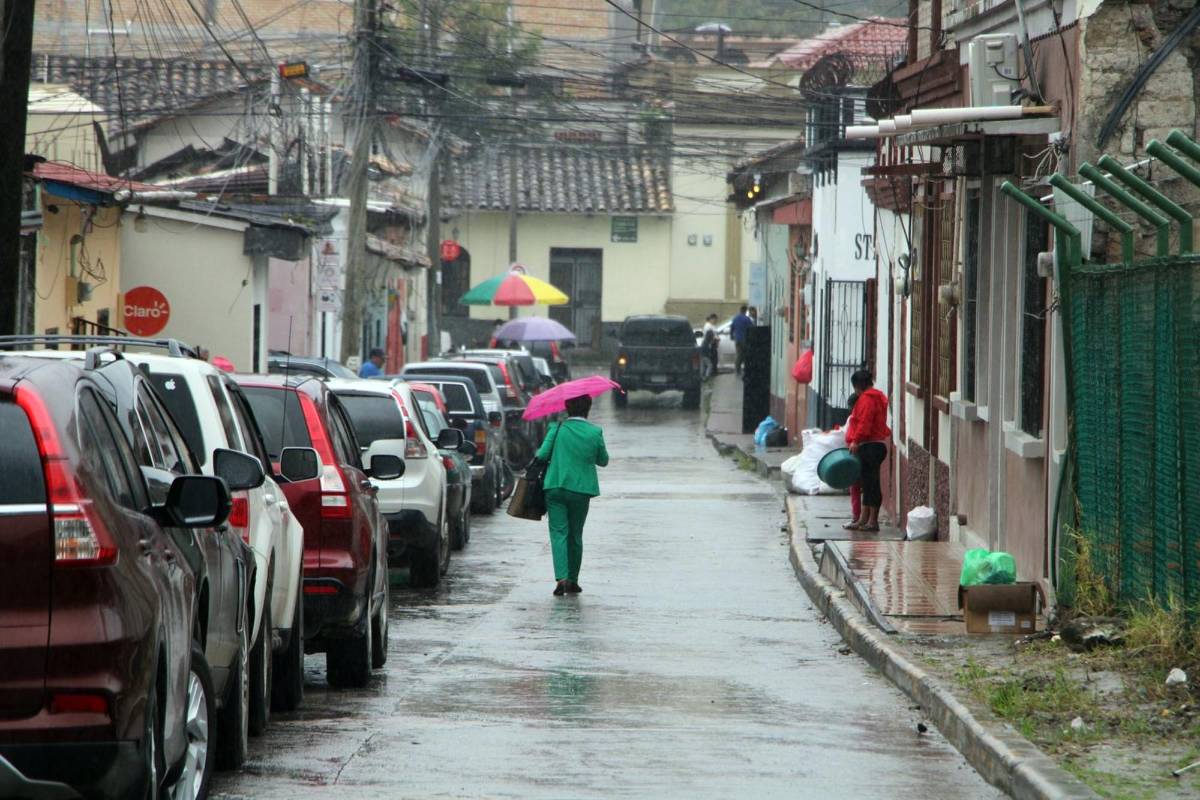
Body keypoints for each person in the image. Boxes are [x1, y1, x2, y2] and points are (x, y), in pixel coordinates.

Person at [538, 394, 609, 596]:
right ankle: (573, 580)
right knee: (575, 534)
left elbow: (542, 455)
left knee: (559, 532)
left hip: (555, 487)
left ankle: (561, 578)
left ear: (567, 408)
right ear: (588, 408)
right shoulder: (595, 432)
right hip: (581, 490)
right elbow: (603, 460)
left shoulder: (557, 428)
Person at [844, 370, 890, 532]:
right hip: (876, 445)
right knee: (869, 483)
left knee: (872, 484)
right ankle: (865, 519)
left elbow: (864, 423)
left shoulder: (867, 400)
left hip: (869, 446)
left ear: (857, 386)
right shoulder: (877, 397)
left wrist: (856, 440)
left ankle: (872, 521)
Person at [843, 392, 862, 528]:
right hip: (855, 453)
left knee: (857, 486)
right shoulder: (853, 419)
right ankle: (858, 517)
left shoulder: (859, 420)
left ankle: (858, 517)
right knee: (857, 487)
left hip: (859, 454)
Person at [730, 305, 753, 377]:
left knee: (739, 355)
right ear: (746, 311)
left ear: (740, 310)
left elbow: (732, 328)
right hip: (745, 339)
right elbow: (752, 328)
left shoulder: (735, 318)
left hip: (737, 339)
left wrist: (731, 336)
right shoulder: (747, 319)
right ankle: (746, 370)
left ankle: (737, 370)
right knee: (746, 355)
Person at [701, 313, 718, 380]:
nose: (715, 321)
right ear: (711, 319)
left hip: (706, 348)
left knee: (704, 363)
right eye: (715, 319)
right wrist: (714, 340)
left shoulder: (712, 326)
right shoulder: (708, 326)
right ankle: (707, 376)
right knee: (709, 364)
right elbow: (710, 336)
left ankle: (703, 375)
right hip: (706, 349)